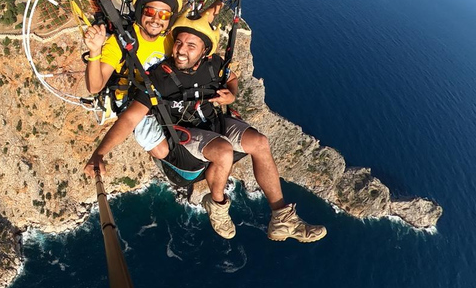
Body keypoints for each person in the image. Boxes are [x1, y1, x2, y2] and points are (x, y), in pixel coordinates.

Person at [83, 12, 327, 243]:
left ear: (204, 51)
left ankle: (281, 217)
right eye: (179, 43)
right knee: (223, 151)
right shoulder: (160, 78)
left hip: (212, 122)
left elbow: (231, 78)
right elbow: (130, 118)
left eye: (191, 46)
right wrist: (100, 153)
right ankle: (217, 205)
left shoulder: (214, 66)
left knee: (260, 142)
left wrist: (231, 94)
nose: (180, 51)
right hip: (182, 136)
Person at [83, 0, 238, 149]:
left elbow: (203, 19)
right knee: (163, 149)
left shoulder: (170, 37)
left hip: (164, 95)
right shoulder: (122, 42)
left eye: (164, 14)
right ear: (141, 11)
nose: (156, 19)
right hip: (134, 99)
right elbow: (95, 87)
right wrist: (95, 51)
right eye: (150, 12)